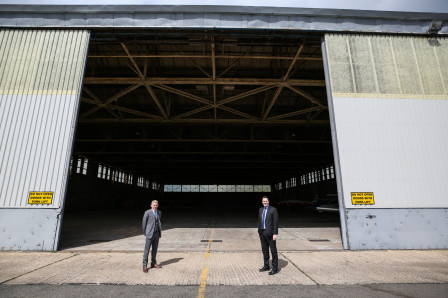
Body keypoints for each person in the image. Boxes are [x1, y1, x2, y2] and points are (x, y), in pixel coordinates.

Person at [258, 196, 279, 275]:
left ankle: (275, 268)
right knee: (265, 250)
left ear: (269, 201)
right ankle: (266, 266)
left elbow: (276, 223)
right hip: (262, 233)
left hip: (270, 234)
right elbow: (259, 221)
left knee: (273, 251)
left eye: (266, 201)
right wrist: (259, 231)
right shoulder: (260, 210)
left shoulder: (273, 210)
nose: (265, 202)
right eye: (263, 201)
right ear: (262, 202)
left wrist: (275, 233)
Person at [142, 200, 162, 272]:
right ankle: (144, 266)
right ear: (151, 205)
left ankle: (153, 263)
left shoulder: (159, 212)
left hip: (156, 234)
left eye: (156, 205)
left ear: (158, 205)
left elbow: (158, 222)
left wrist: (159, 232)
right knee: (146, 250)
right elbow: (144, 224)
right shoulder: (147, 212)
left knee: (154, 249)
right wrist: (146, 233)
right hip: (149, 234)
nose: (155, 206)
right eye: (154, 205)